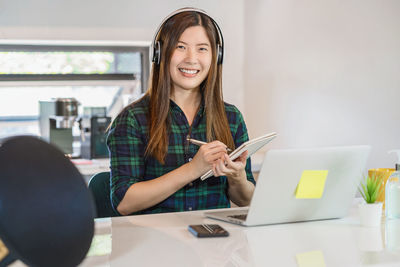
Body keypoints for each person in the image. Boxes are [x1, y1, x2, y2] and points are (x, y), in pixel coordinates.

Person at [107, 7, 255, 216]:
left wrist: (237, 177)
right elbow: (124, 202)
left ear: (216, 56)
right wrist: (193, 169)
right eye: (181, 47)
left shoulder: (231, 117)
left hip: (214, 243)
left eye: (202, 49)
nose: (191, 59)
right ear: (160, 54)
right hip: (155, 242)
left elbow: (246, 199)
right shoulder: (132, 119)